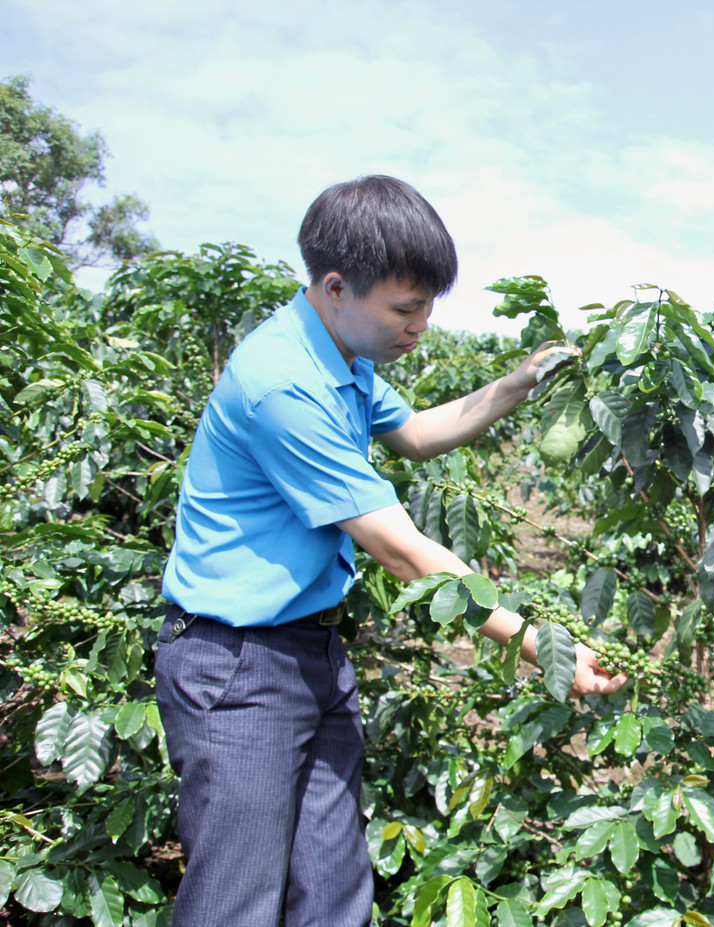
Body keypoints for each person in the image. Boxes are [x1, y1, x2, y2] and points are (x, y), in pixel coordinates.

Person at [155, 175, 625, 927]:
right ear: (337, 287)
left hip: (309, 652)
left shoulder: (344, 354)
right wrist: (541, 645)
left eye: (428, 308)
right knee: (236, 903)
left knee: (335, 893)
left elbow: (415, 434)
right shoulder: (283, 384)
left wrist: (520, 381)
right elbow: (402, 552)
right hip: (236, 665)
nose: (420, 328)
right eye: (406, 310)